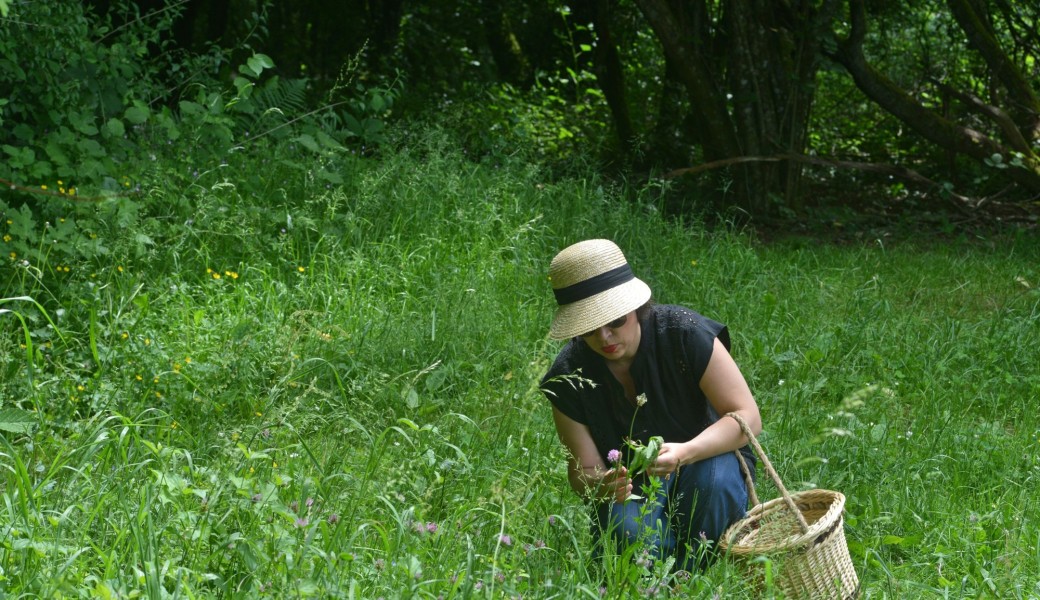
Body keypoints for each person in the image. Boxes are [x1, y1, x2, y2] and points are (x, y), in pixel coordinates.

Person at [540, 239, 762, 570]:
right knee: (628, 530)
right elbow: (583, 472)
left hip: (709, 458)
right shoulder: (568, 375)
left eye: (615, 321)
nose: (604, 337)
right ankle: (659, 584)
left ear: (636, 309)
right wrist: (601, 485)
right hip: (635, 484)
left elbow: (747, 417)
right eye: (589, 329)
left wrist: (686, 452)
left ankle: (699, 577)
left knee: (712, 489)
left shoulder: (685, 334)